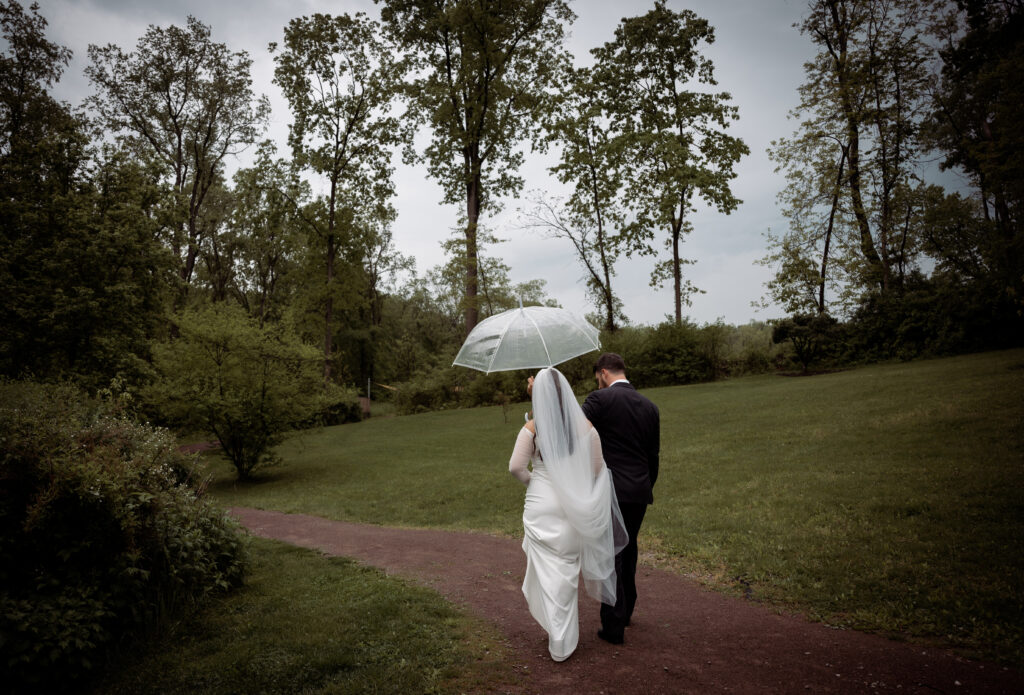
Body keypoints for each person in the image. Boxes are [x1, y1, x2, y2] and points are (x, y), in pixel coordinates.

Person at [508, 367, 627, 662]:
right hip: (573, 507)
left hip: (541, 505)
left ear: (539, 394)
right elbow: (599, 470)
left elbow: (515, 467)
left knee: (547, 571)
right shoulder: (586, 428)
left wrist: (535, 481)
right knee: (566, 570)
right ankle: (562, 639)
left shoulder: (533, 428)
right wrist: (574, 484)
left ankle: (557, 634)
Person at [581, 352, 660, 645]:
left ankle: (614, 626)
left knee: (612, 551)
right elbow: (653, 457)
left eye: (597, 378)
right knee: (629, 547)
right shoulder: (650, 407)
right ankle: (626, 610)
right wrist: (645, 485)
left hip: (610, 488)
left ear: (603, 373)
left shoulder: (599, 400)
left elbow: (571, 426)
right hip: (640, 490)